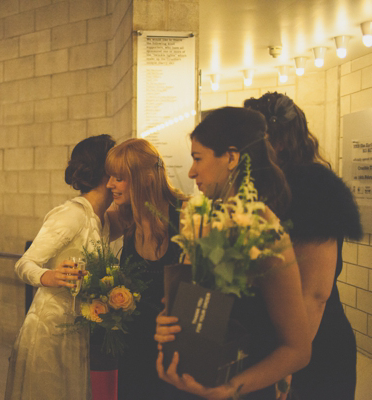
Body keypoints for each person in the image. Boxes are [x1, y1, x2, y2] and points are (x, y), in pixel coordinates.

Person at [155, 107, 311, 399]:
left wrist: (230, 389)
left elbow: (298, 350)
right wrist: (168, 324)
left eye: (197, 158)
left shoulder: (264, 229)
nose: (191, 172)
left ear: (231, 157)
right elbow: (193, 308)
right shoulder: (204, 221)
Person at [244, 93, 362, 400]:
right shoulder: (262, 187)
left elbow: (315, 293)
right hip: (275, 340)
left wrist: (286, 365)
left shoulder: (314, 189)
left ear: (279, 141)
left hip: (313, 346)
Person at [5, 134, 116, 400]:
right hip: (50, 331)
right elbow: (24, 263)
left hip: (79, 330)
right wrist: (49, 276)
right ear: (106, 170)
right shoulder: (73, 214)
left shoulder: (105, 218)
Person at [104, 138, 187, 399]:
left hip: (174, 350)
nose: (110, 185)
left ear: (145, 178)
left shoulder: (185, 215)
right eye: (110, 177)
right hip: (134, 349)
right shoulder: (124, 219)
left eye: (119, 178)